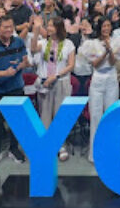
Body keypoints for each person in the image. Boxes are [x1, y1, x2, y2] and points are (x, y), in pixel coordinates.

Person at [0, 16, 28, 169]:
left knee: (17, 121)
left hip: (16, 87)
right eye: (5, 27)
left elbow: (25, 61)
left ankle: (14, 148)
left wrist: (18, 65)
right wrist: (4, 73)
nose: (8, 30)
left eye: (11, 27)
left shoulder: (19, 42)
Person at [80, 16, 120, 162]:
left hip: (111, 78)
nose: (106, 29)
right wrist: (105, 52)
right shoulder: (92, 43)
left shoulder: (116, 41)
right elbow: (95, 64)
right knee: (96, 116)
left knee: (111, 114)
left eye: (108, 26)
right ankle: (94, 153)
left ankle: (111, 151)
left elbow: (113, 61)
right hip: (97, 79)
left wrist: (110, 50)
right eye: (104, 26)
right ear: (100, 28)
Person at [34, 17, 75, 162]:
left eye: (51, 26)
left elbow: (71, 65)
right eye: (48, 25)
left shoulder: (68, 44)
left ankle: (61, 146)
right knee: (45, 115)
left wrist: (56, 75)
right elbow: (33, 49)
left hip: (61, 82)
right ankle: (47, 145)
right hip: (45, 83)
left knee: (59, 115)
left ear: (58, 28)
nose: (49, 28)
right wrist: (36, 29)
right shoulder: (43, 43)